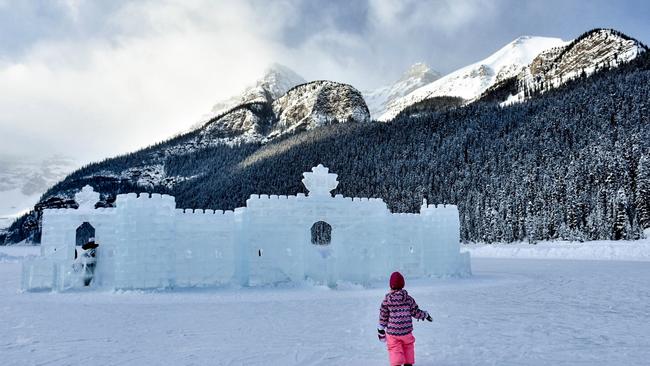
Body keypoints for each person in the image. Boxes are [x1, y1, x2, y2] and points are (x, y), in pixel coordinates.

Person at [377, 271, 432, 366]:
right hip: (406, 331)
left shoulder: (387, 301)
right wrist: (425, 315)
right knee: (408, 346)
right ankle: (408, 363)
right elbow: (416, 312)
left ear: (391, 286)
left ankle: (396, 364)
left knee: (394, 348)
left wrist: (381, 327)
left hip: (393, 332)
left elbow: (383, 315)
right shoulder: (409, 299)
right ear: (403, 285)